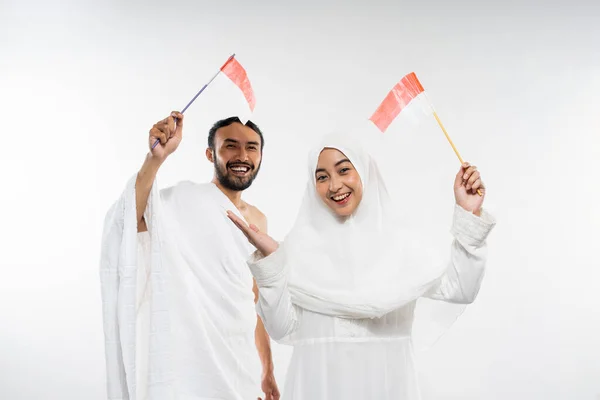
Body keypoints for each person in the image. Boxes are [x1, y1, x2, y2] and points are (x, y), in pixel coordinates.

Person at [227, 131, 496, 399]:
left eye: (344, 170)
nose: (334, 186)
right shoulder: (297, 250)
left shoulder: (401, 247)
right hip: (317, 387)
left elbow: (461, 288)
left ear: (366, 173)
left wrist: (469, 213)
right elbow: (280, 328)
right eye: (322, 177)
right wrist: (272, 263)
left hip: (387, 386)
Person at [100, 111, 280, 400]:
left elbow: (254, 301)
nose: (242, 155)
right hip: (192, 364)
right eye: (230, 145)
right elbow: (131, 218)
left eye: (251, 147)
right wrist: (156, 158)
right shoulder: (184, 199)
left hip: (240, 363)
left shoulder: (259, 219)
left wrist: (267, 371)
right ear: (210, 154)